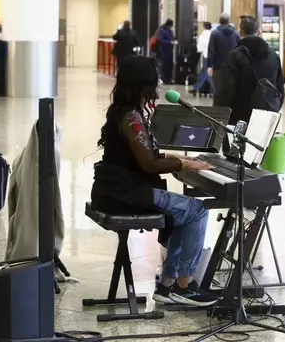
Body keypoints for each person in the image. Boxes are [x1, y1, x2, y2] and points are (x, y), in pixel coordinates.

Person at [91, 55, 218, 307]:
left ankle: (168, 283)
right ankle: (184, 284)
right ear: (143, 83)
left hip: (119, 190)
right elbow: (148, 164)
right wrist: (185, 163)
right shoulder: (132, 118)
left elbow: (142, 155)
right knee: (198, 211)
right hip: (126, 194)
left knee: (186, 211)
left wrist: (177, 158)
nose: (160, 81)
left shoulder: (128, 113)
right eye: (156, 77)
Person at [223, 15, 285, 125]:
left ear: (240, 33)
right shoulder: (273, 56)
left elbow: (226, 90)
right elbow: (280, 89)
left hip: (238, 117)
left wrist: (223, 115)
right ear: (259, 32)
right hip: (265, 115)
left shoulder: (234, 56)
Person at [208, 13, 241, 107]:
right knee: (231, 89)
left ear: (219, 21)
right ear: (228, 21)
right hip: (233, 67)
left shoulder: (214, 33)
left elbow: (211, 50)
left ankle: (217, 111)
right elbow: (240, 49)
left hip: (218, 66)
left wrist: (209, 65)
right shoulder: (235, 34)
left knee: (218, 90)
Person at [191, 22, 214, 96]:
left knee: (207, 74)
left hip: (205, 55)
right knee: (203, 73)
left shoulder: (203, 35)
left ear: (204, 27)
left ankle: (214, 90)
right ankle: (196, 88)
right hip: (212, 56)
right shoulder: (213, 34)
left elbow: (199, 48)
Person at [157, 19, 177, 83]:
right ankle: (164, 79)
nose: (171, 27)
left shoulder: (170, 31)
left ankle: (169, 79)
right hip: (163, 50)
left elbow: (172, 38)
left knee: (170, 65)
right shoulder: (161, 31)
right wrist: (169, 42)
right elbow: (160, 40)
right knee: (164, 65)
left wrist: (174, 41)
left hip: (170, 50)